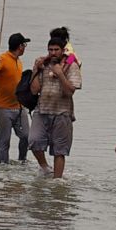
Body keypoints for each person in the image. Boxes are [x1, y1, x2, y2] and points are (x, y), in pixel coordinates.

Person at [28, 36, 83, 178]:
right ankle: (45, 167)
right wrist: (35, 70)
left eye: (56, 50)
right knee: (33, 141)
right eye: (50, 49)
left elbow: (70, 91)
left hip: (62, 112)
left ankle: (57, 180)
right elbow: (34, 90)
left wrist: (60, 74)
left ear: (62, 50)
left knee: (59, 150)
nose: (53, 53)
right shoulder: (43, 65)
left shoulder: (72, 65)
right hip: (42, 110)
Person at [0, 32, 30, 164]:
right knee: (5, 141)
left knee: (27, 136)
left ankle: (22, 161)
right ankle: (4, 166)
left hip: (19, 107)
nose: (25, 47)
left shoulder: (19, 61)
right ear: (20, 46)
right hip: (3, 108)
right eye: (24, 44)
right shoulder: (3, 59)